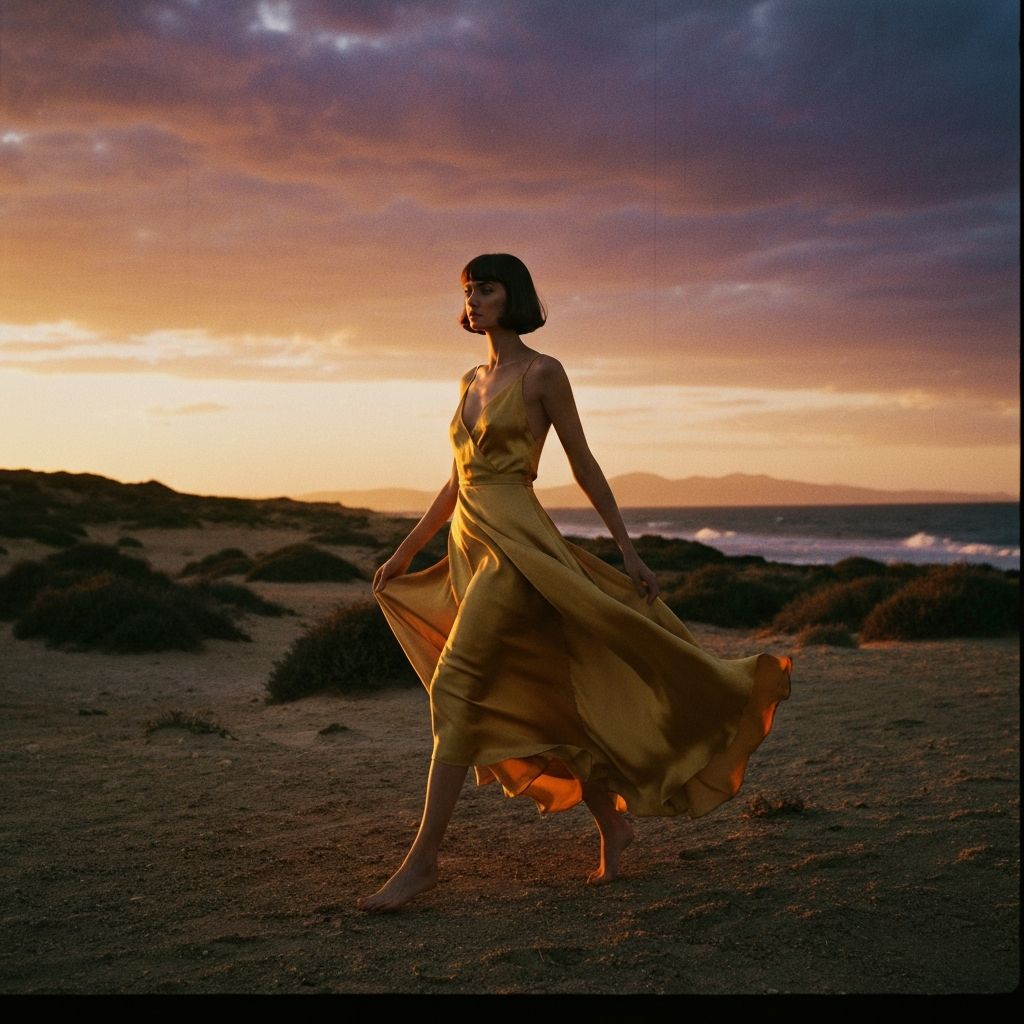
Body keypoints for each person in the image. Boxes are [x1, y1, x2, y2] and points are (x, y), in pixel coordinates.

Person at [358, 253, 792, 913]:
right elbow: (455, 482)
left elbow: (583, 464)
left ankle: (423, 864)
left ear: (516, 298)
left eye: (489, 289)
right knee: (551, 693)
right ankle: (612, 823)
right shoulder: (469, 378)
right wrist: (406, 552)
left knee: (456, 684)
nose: (475, 300)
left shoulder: (543, 373)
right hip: (468, 545)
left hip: (518, 551)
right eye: (469, 291)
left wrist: (628, 550)